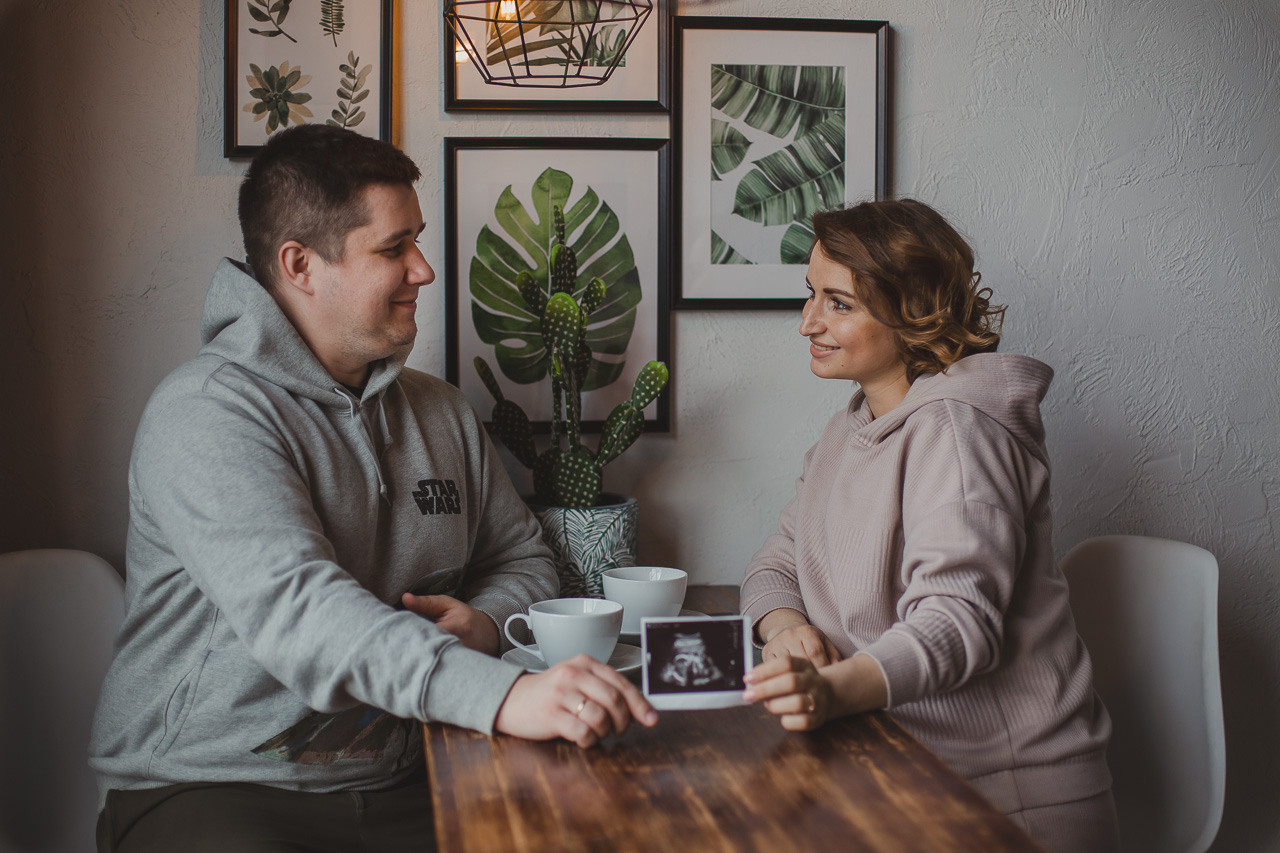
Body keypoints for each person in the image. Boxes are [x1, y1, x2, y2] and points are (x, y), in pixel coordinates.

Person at [89, 124, 655, 852]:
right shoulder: (206, 412)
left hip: (415, 774)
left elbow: (524, 556)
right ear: (300, 265)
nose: (423, 269)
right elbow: (303, 615)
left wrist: (484, 622)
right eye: (394, 249)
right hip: (215, 785)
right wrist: (505, 692)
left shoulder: (441, 411)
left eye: (416, 241)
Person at [739, 199, 1119, 852]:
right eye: (811, 296)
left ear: (910, 308)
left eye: (838, 303)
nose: (807, 322)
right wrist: (787, 630)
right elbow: (774, 565)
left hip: (1003, 794)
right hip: (896, 764)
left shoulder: (959, 430)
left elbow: (958, 621)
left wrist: (832, 691)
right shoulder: (849, 428)